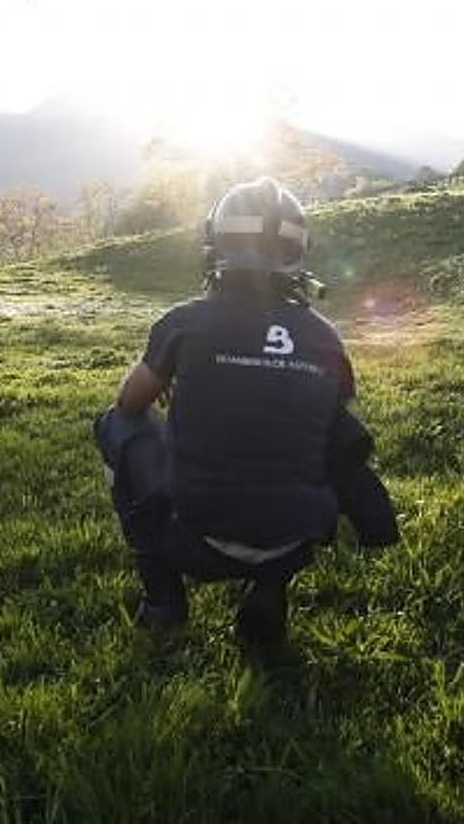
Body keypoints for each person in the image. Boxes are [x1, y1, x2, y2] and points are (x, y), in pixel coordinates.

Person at [94, 177, 397, 649]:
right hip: (296, 540)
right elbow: (323, 425)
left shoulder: (183, 323)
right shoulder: (326, 339)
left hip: (198, 540)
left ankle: (163, 599)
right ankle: (270, 585)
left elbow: (128, 405)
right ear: (298, 251)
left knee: (113, 426)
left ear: (216, 243)